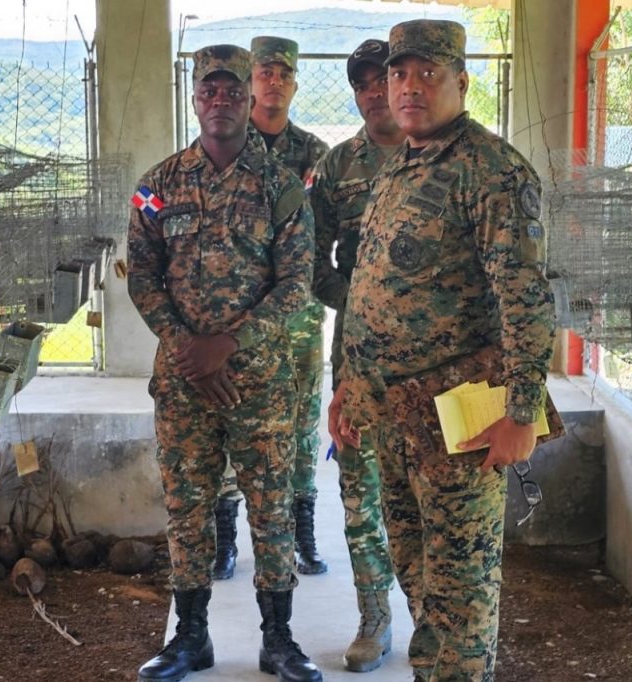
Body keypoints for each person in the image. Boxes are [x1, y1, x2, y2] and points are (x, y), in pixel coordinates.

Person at [329, 20, 557, 682]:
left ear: (461, 81)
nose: (409, 87)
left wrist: (521, 413)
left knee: (461, 595)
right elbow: (370, 290)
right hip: (390, 416)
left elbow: (525, 300)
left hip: (459, 421)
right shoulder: (400, 165)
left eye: (428, 74)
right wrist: (349, 387)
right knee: (419, 580)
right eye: (399, 74)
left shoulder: (491, 171)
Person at [129, 44, 321, 682]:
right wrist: (188, 348)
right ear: (194, 99)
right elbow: (143, 276)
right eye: (208, 91)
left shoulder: (281, 186)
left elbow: (296, 284)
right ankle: (191, 639)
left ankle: (279, 639)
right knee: (187, 507)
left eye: (232, 91)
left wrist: (229, 344)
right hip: (184, 380)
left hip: (258, 381)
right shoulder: (156, 187)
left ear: (249, 97)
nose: (220, 101)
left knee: (270, 506)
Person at [213, 35, 332, 580]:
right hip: (235, 318)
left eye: (284, 74)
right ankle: (226, 541)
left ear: (294, 84)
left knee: (303, 423)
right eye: (265, 73)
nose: (275, 82)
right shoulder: (226, 144)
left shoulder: (316, 154)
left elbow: (324, 232)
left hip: (298, 317)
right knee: (229, 418)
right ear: (250, 82)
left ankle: (303, 533)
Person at [308, 38, 403, 673]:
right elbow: (311, 259)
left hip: (439, 361)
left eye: (382, 80)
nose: (373, 92)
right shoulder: (338, 166)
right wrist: (361, 302)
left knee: (433, 491)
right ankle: (374, 617)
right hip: (360, 355)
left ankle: (439, 619)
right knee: (360, 489)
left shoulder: (449, 158)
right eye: (362, 84)